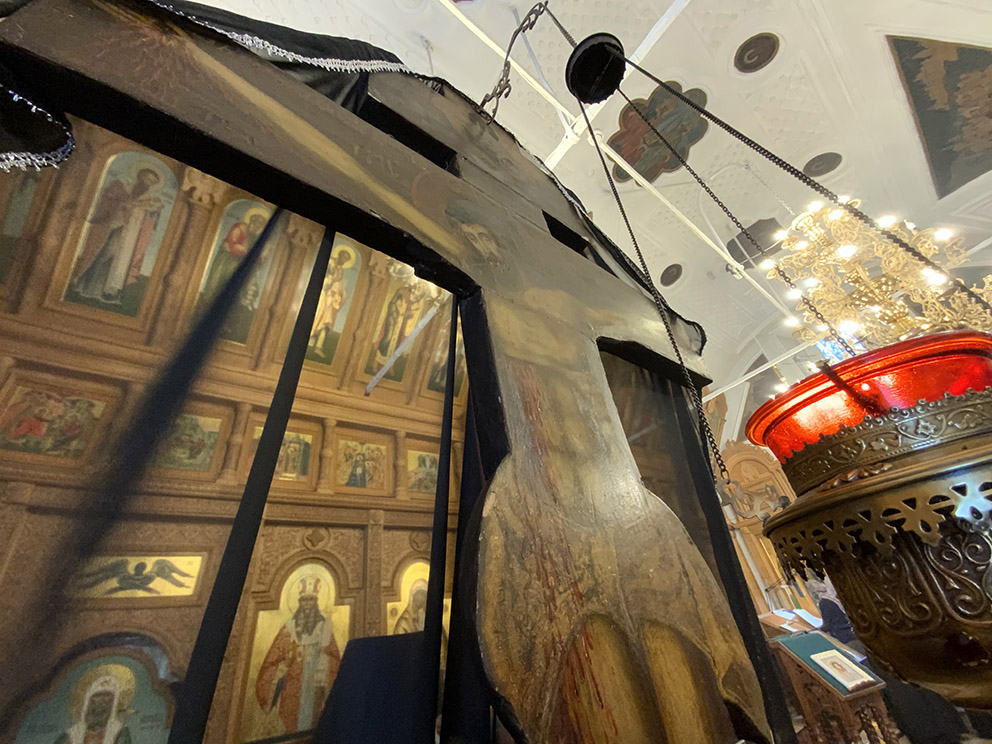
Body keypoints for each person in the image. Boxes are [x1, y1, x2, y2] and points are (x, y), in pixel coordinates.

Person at [807, 578, 968, 744]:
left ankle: (940, 733)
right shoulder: (850, 594)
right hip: (888, 643)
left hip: (893, 641)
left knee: (919, 691)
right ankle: (936, 733)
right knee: (910, 694)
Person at [256, 575, 340, 734]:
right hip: (292, 687)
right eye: (304, 600)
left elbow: (336, 659)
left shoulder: (324, 628)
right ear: (299, 602)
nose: (307, 604)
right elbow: (271, 663)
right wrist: (286, 662)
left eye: (311, 600)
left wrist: (324, 658)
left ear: (316, 602)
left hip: (315, 687)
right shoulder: (289, 628)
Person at [71, 168, 163, 305]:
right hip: (114, 230)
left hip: (130, 237)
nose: (147, 184)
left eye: (151, 182)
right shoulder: (122, 187)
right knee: (105, 255)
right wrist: (129, 206)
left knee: (120, 262)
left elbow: (149, 223)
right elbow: (110, 205)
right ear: (140, 177)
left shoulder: (149, 198)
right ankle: (87, 287)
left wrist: (154, 212)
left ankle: (110, 292)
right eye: (147, 179)